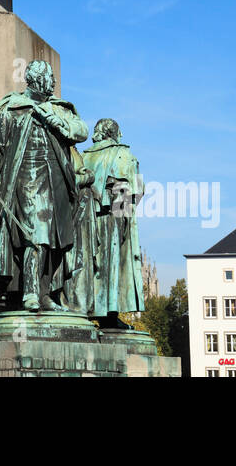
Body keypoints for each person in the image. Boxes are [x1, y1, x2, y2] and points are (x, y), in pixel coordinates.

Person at [0, 61, 92, 313]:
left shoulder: (58, 109)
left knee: (56, 239)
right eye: (50, 79)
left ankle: (46, 293)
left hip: (58, 182)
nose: (54, 83)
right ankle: (31, 293)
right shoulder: (13, 108)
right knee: (35, 234)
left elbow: (81, 131)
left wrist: (56, 120)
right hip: (25, 180)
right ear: (36, 80)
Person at [82, 118, 145, 326]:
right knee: (113, 262)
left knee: (92, 263)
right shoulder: (123, 153)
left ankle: (91, 310)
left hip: (86, 216)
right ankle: (109, 316)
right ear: (114, 133)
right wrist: (124, 221)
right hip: (114, 213)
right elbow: (136, 188)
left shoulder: (84, 156)